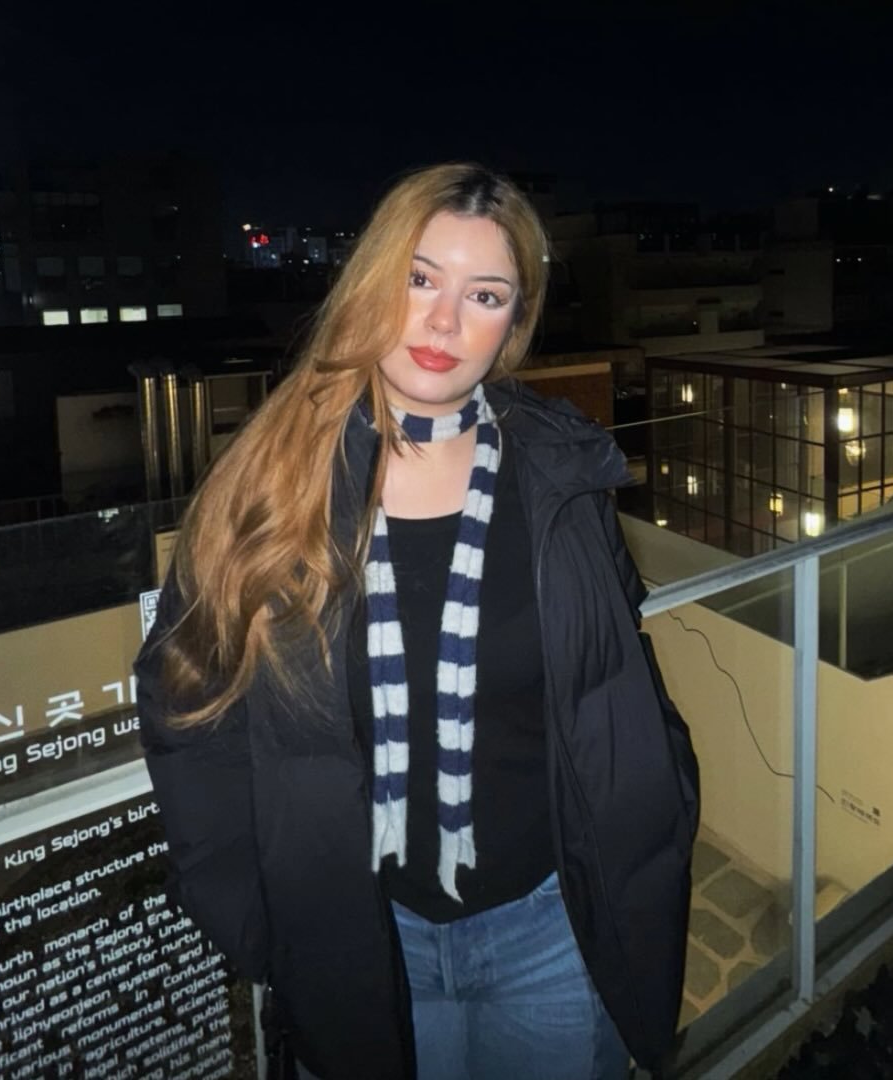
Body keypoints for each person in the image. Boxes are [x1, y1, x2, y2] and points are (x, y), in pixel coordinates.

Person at [135, 163, 699, 1080]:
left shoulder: (561, 476)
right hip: (361, 947)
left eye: (485, 295)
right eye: (419, 278)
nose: (444, 323)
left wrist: (661, 808)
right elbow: (184, 705)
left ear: (514, 323)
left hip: (552, 932)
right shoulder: (270, 488)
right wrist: (259, 922)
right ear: (370, 284)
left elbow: (619, 674)